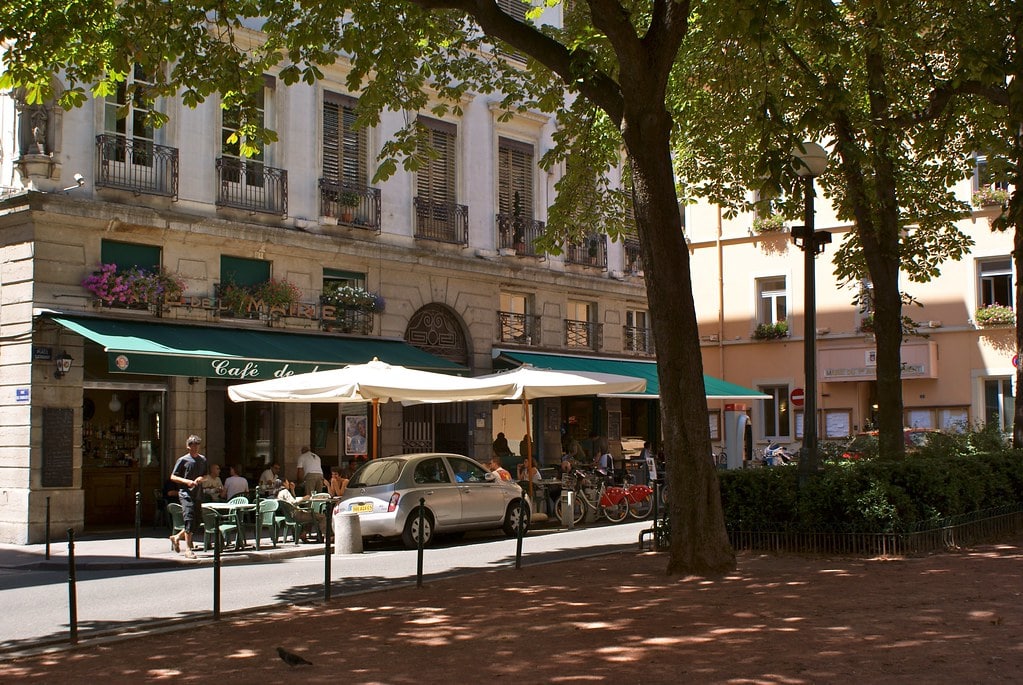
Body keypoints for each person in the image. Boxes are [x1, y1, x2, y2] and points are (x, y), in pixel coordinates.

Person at [168, 435, 208, 559]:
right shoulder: (183, 460)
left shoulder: (202, 460)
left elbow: (205, 475)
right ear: (188, 447)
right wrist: (186, 482)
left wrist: (201, 478)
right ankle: (188, 549)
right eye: (193, 445)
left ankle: (176, 537)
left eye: (197, 445)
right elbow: (173, 477)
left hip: (197, 493)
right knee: (189, 518)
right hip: (185, 493)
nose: (195, 448)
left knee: (196, 521)